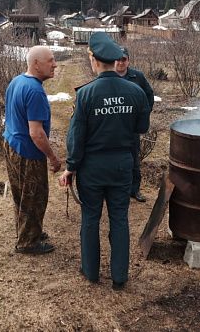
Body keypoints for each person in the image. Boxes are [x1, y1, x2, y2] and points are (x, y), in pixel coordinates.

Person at [58, 32, 151, 290]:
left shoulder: (86, 95)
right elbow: (142, 127)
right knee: (119, 219)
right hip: (122, 163)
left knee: (90, 218)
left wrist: (70, 167)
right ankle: (119, 276)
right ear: (114, 61)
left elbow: (76, 137)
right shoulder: (136, 92)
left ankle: (91, 271)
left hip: (92, 168)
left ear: (95, 61)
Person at [3, 45, 62, 255]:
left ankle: (28, 231)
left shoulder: (17, 81)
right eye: (51, 60)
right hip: (28, 152)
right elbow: (36, 133)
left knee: (20, 194)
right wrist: (53, 158)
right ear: (36, 64)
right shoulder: (35, 91)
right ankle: (28, 243)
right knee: (34, 196)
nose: (55, 64)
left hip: (11, 145)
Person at [114, 47, 155, 203]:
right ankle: (116, 190)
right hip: (113, 128)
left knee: (133, 159)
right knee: (114, 159)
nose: (120, 62)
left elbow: (149, 95)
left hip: (132, 128)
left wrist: (144, 115)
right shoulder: (109, 76)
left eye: (123, 59)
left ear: (128, 60)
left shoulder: (137, 76)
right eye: (117, 59)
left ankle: (134, 190)